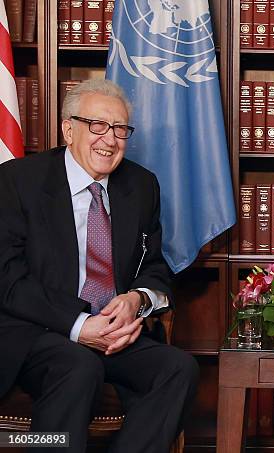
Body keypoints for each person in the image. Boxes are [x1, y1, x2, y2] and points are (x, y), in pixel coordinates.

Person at [0, 79, 199, 453]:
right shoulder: (17, 182)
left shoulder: (141, 186)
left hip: (114, 333)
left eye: (120, 128)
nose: (110, 140)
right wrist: (79, 326)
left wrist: (137, 301)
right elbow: (8, 279)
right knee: (78, 367)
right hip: (37, 333)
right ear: (68, 129)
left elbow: (154, 266)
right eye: (98, 125)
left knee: (178, 369)